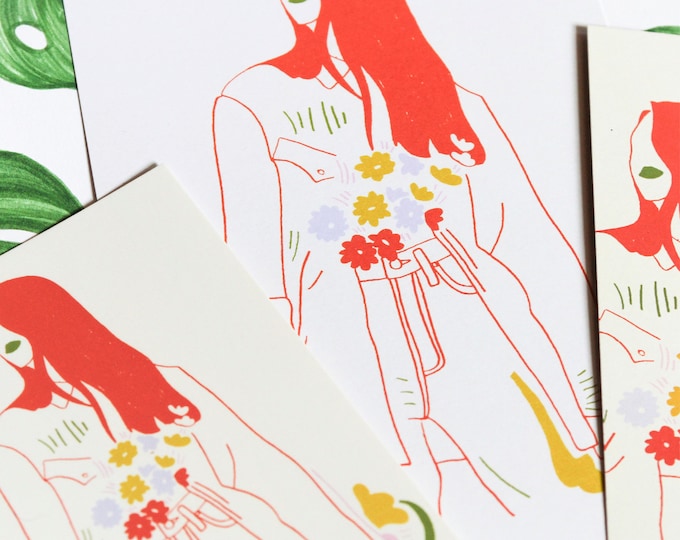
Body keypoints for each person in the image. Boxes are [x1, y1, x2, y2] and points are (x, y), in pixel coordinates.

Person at [213, 0, 599, 513]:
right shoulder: (251, 101)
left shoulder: (452, 100)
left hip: (473, 317)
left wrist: (593, 396)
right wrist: (270, 378)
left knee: (528, 499)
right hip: (348, 337)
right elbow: (250, 259)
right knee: (402, 506)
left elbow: (532, 239)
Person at [0, 275, 368, 539]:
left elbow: (264, 464)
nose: (11, 357)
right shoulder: (14, 436)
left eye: (13, 343)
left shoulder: (164, 383)